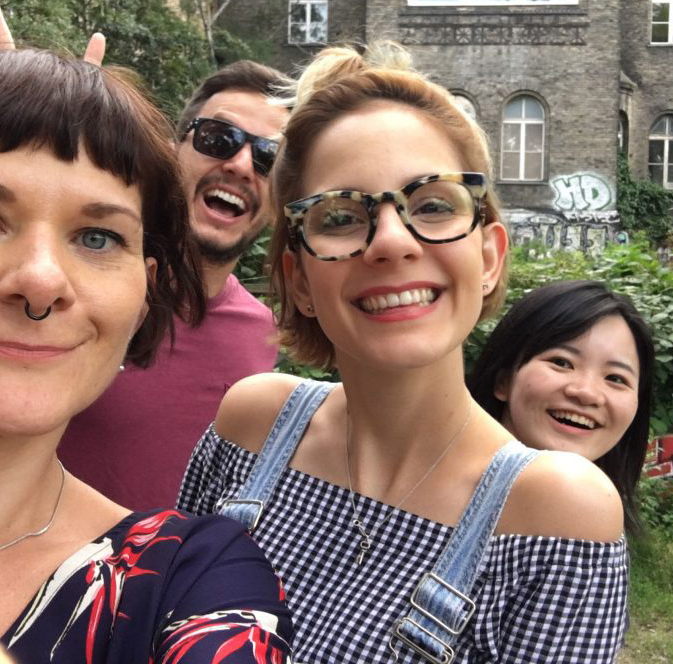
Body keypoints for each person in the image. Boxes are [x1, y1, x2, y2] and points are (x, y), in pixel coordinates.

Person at [178, 44, 628, 662]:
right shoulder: (251, 427)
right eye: (340, 216)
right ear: (299, 279)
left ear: (489, 257)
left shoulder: (556, 513)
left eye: (434, 206)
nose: (391, 241)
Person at [0, 47, 293, 662]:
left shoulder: (197, 583)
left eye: (96, 237)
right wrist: (29, 97)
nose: (41, 281)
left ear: (142, 299)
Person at [0, 0, 288, 509]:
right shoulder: (63, 289)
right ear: (170, 153)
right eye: (217, 139)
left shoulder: (262, 334)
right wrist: (25, 148)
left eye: (268, 158)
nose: (238, 165)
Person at [467, 279, 654, 533]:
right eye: (561, 362)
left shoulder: (595, 525)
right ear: (504, 380)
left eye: (615, 378)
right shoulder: (426, 489)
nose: (587, 394)